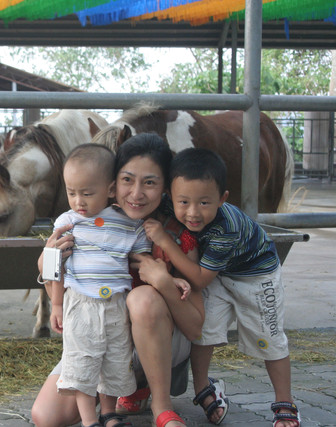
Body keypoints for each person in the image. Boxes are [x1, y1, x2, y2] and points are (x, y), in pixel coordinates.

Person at [32, 134, 205, 427]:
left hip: (160, 341)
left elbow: (195, 328)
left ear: (165, 187)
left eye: (150, 182)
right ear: (112, 184)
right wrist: (46, 261)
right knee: (47, 417)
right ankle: (125, 390)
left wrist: (163, 282)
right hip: (97, 334)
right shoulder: (84, 224)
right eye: (128, 180)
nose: (136, 193)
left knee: (142, 299)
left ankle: (161, 406)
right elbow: (63, 287)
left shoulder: (175, 234)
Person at [142, 147, 300, 427]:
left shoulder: (226, 228)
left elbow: (201, 278)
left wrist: (165, 242)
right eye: (184, 202)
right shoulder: (172, 206)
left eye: (204, 203)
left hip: (255, 276)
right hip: (218, 274)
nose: (192, 213)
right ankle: (204, 388)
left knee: (269, 337)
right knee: (205, 329)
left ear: (222, 199)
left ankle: (284, 401)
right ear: (170, 196)